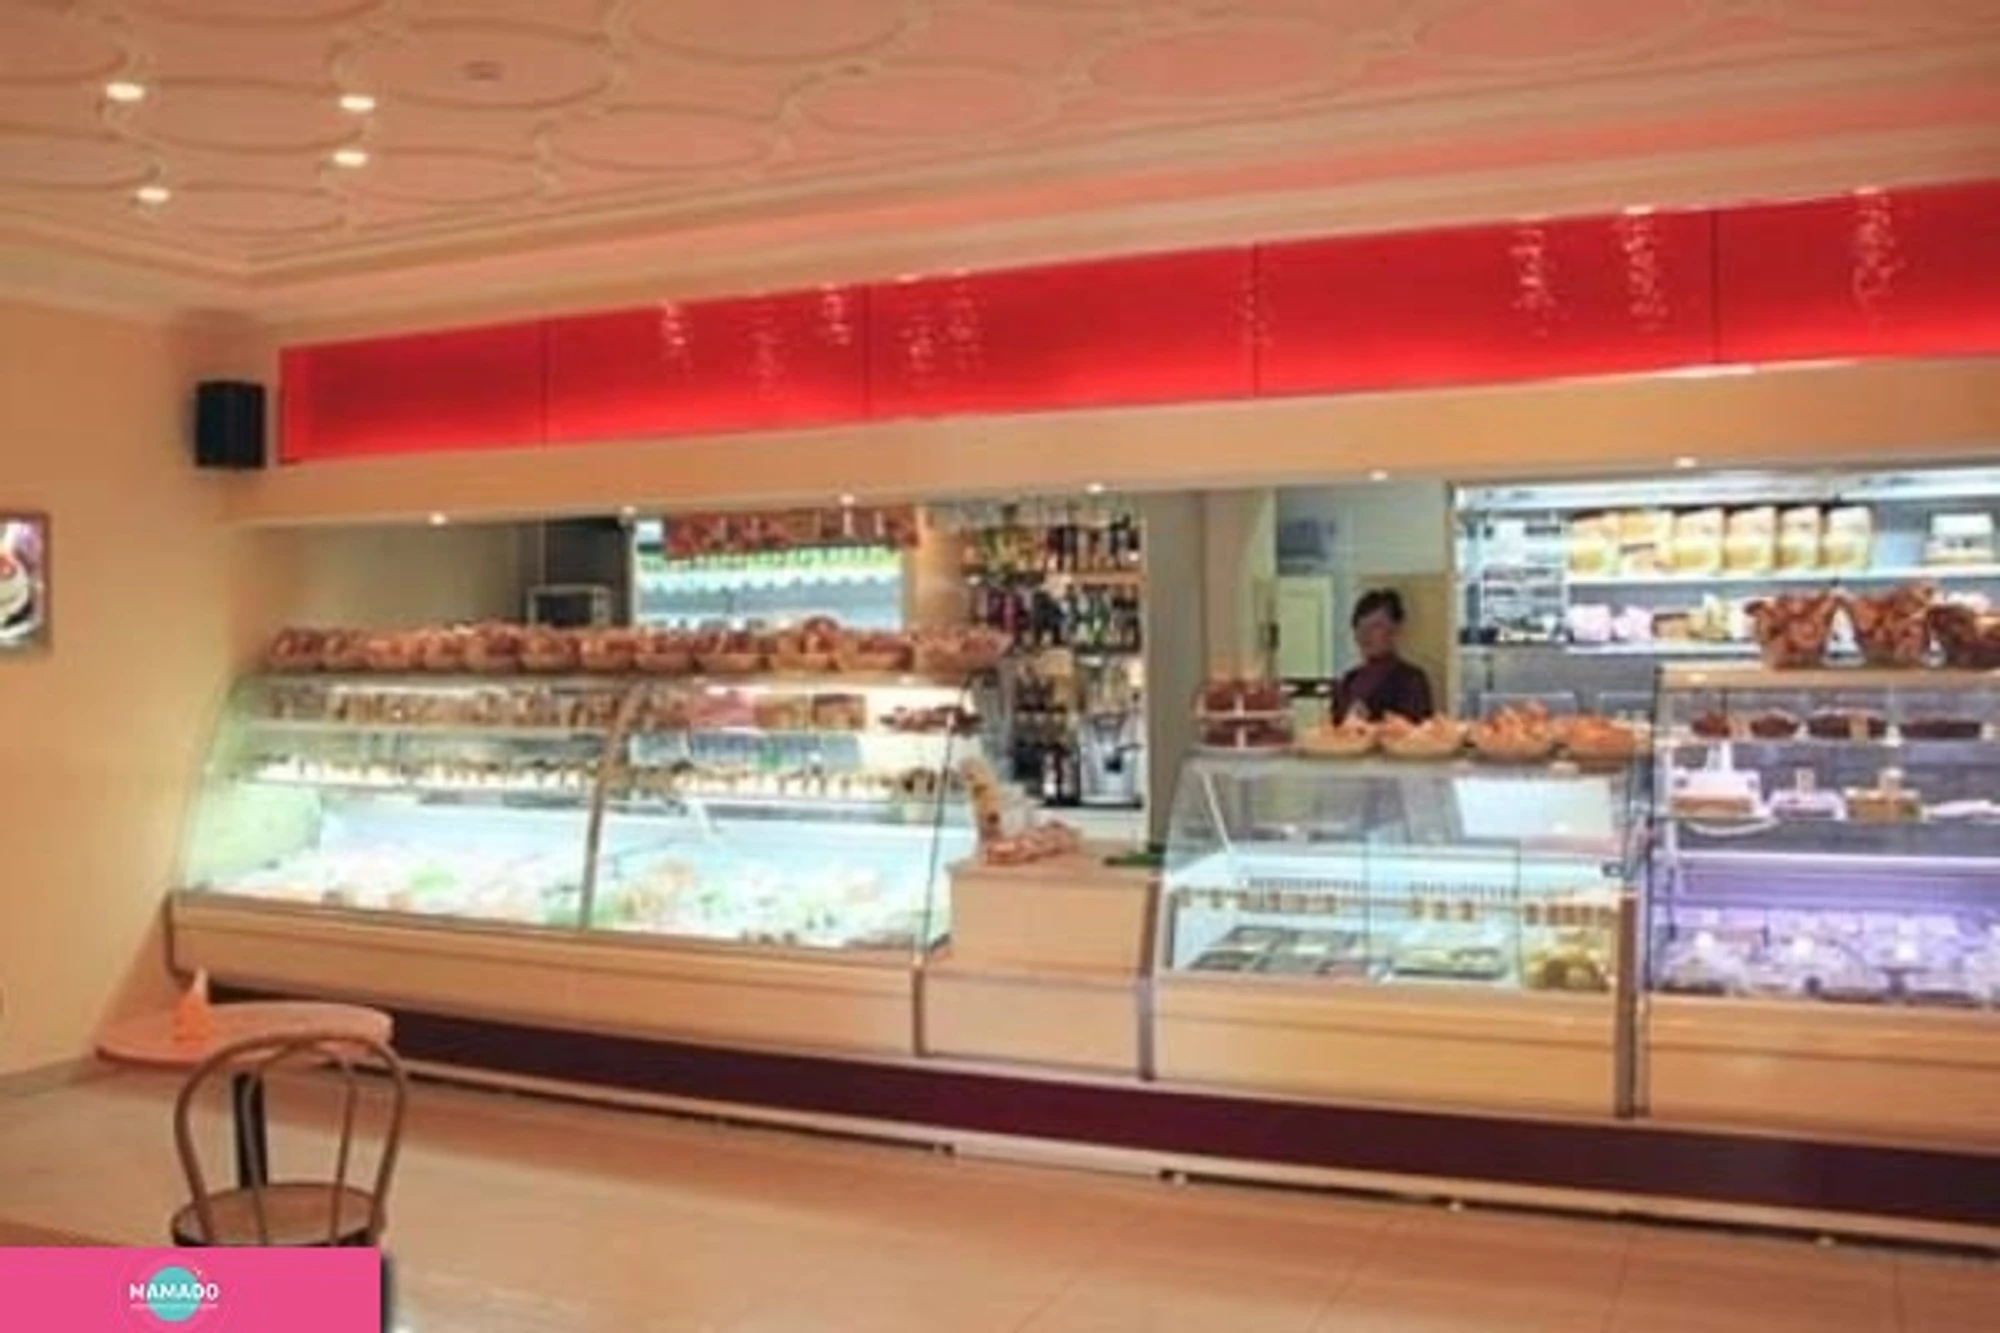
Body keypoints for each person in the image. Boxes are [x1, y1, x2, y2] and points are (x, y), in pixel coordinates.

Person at [1335, 588, 1434, 721]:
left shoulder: (1411, 680)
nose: (1365, 634)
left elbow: (1417, 728)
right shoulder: (1348, 681)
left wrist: (1370, 723)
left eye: (1376, 626)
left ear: (1395, 630)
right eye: (1360, 627)